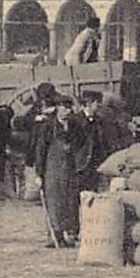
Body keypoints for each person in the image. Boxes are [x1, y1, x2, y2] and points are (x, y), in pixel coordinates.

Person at [34, 96, 88, 248]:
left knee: (69, 202)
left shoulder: (74, 126)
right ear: (57, 108)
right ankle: (54, 236)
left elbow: (82, 142)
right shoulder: (48, 127)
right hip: (52, 170)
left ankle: (69, 234)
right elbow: (40, 151)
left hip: (69, 169)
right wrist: (39, 173)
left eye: (69, 108)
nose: (67, 111)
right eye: (64, 108)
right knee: (54, 202)